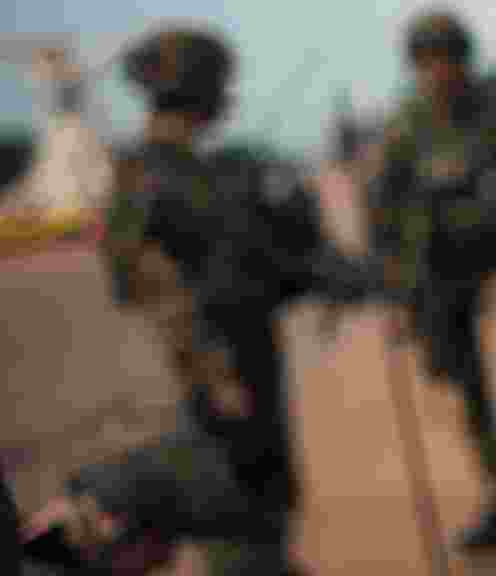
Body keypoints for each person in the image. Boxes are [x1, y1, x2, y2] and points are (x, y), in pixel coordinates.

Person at [21, 23, 394, 575]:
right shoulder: (180, 184)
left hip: (228, 423)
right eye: (220, 83)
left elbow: (281, 267)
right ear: (203, 90)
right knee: (245, 547)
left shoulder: (167, 179)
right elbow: (176, 294)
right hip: (219, 426)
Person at [366, 8, 496, 551]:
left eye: (449, 58)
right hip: (436, 281)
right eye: (428, 61)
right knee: (466, 398)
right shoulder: (403, 127)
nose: (440, 71)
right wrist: (396, 297)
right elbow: (382, 214)